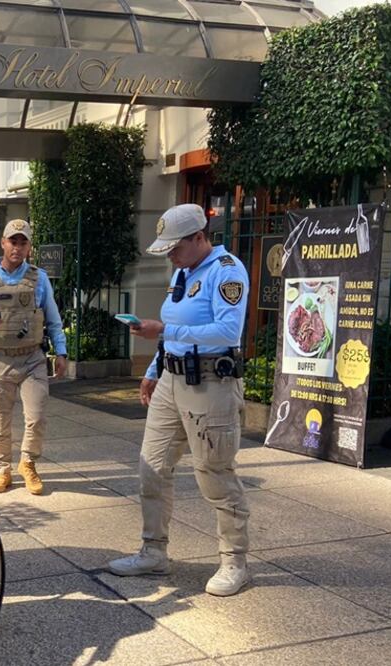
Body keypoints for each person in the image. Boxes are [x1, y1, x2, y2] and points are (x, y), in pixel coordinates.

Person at [108, 203, 252, 597]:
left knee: (215, 474)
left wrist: (164, 328)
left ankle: (234, 561)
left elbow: (227, 329)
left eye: (175, 246)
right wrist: (154, 370)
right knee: (151, 467)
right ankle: (153, 551)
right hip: (172, 379)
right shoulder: (183, 270)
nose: (170, 254)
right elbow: (174, 331)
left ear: (199, 237)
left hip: (210, 383)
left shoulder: (226, 271)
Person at [0, 219, 68, 496]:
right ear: (3, 243)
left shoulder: (39, 278)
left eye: (23, 242)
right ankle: (2, 470)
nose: (17, 247)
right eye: (13, 241)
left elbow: (53, 318)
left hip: (32, 359)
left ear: (29, 246)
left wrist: (61, 351)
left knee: (36, 416)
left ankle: (28, 463)